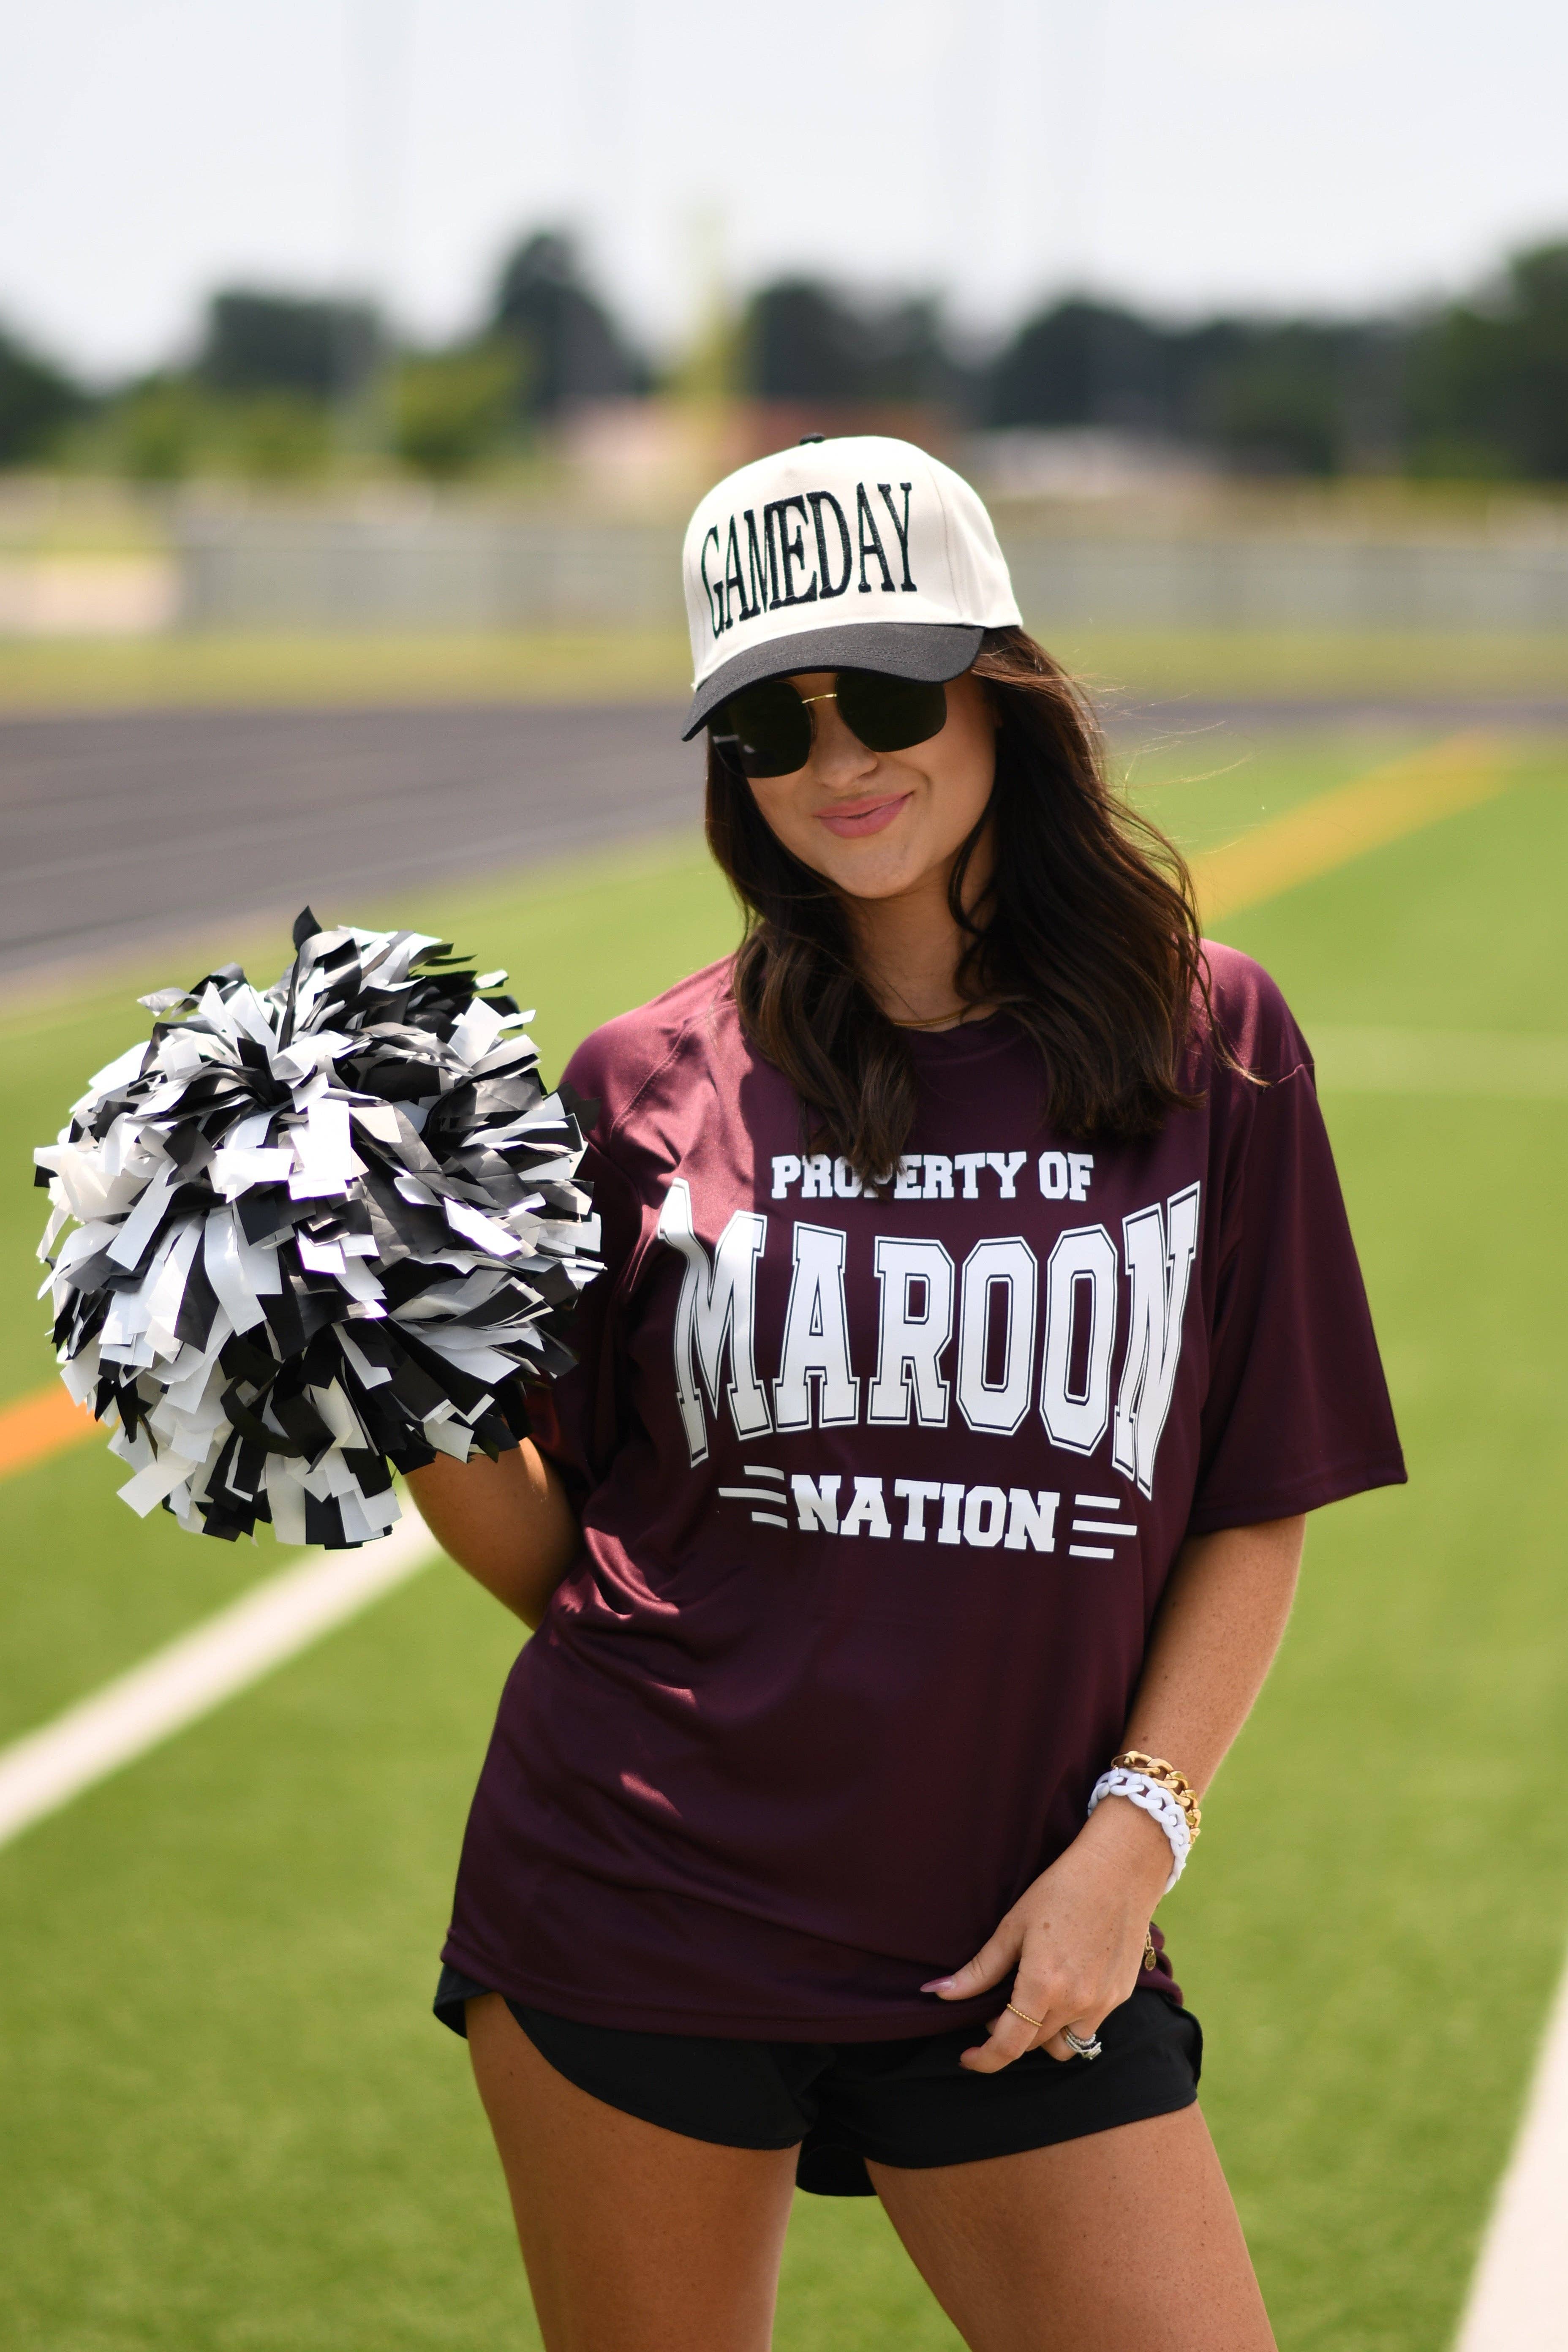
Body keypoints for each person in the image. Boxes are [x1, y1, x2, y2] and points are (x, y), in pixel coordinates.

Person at [408, 435, 1405, 2352]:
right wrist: (389, 1374)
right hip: (634, 1906)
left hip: (1021, 1938)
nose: (838, 763)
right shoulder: (641, 1080)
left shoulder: (1212, 1038)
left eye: (880, 694)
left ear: (994, 691)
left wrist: (1135, 1842)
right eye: (770, 730)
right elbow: (566, 1557)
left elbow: (1250, 1499)